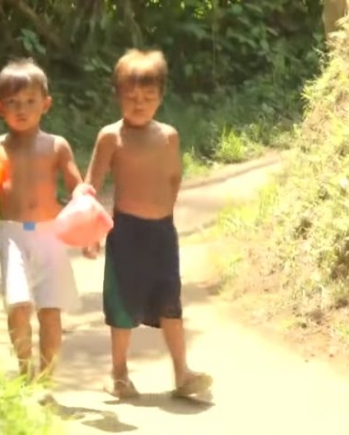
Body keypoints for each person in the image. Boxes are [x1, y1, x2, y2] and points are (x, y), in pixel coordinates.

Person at [79, 49, 213, 398]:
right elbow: (90, 185)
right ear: (118, 96)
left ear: (160, 97)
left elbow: (173, 178)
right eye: (131, 97)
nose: (139, 104)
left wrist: (167, 215)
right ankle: (119, 374)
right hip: (126, 233)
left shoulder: (169, 135)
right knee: (122, 307)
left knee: (171, 302)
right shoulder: (111, 136)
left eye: (148, 97)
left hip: (162, 234)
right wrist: (89, 231)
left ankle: (182, 373)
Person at [0, 58, 83, 398]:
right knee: (17, 305)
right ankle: (24, 371)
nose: (22, 109)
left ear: (46, 104)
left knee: (50, 310)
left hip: (49, 234)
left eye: (30, 101)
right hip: (13, 234)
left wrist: (89, 232)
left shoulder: (56, 145)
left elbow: (79, 190)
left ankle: (46, 381)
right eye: (13, 102)